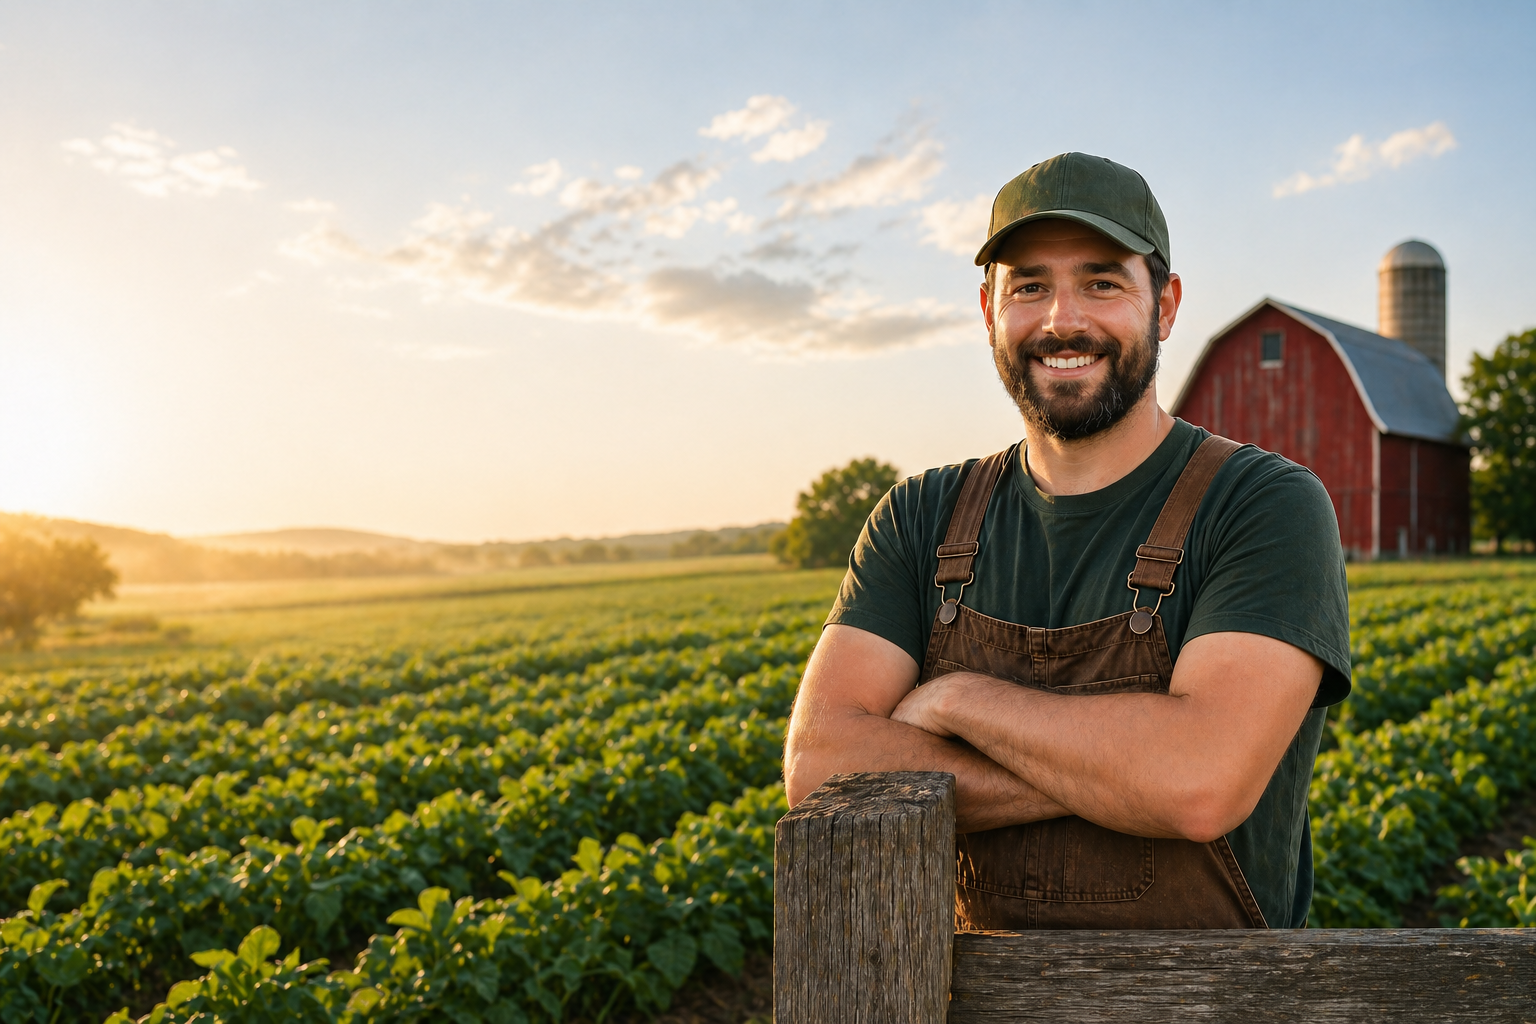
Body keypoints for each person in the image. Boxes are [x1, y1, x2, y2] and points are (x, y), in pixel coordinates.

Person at [782, 152, 1351, 930]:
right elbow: (820, 766)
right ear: (988, 309)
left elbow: (1199, 785)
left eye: (1102, 282)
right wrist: (1125, 774)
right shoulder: (920, 516)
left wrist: (955, 700)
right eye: (1030, 287)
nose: (1063, 321)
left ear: (1167, 304)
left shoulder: (1263, 505)